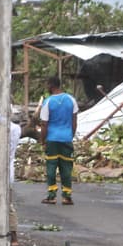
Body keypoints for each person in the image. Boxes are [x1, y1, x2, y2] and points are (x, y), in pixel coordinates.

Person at [38, 76, 78, 205]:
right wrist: (70, 136)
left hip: (52, 139)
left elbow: (44, 124)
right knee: (66, 167)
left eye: (47, 85)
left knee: (51, 166)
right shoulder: (71, 100)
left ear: (51, 85)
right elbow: (74, 122)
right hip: (66, 138)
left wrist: (42, 140)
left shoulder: (48, 102)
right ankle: (67, 196)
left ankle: (52, 195)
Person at [8, 116, 22, 246]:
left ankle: (12, 236)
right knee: (8, 204)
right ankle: (13, 235)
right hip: (8, 172)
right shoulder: (16, 128)